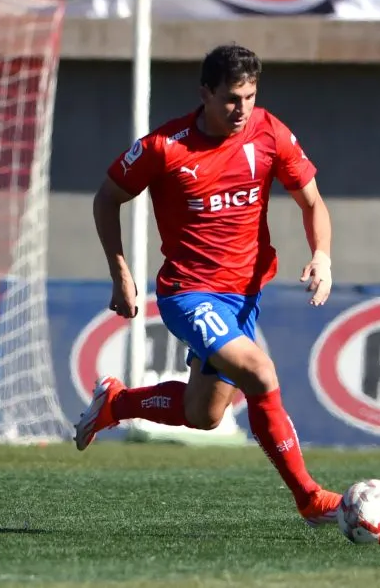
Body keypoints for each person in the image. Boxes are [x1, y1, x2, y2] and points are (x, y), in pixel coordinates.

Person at [77, 43, 342, 526]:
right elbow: (106, 198)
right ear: (205, 93)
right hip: (188, 292)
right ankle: (309, 498)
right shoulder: (165, 146)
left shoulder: (269, 132)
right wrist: (120, 272)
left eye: (250, 96)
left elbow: (312, 202)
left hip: (244, 296)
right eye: (231, 99)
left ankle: (118, 402)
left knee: (203, 415)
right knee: (260, 372)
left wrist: (321, 255)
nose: (242, 109)